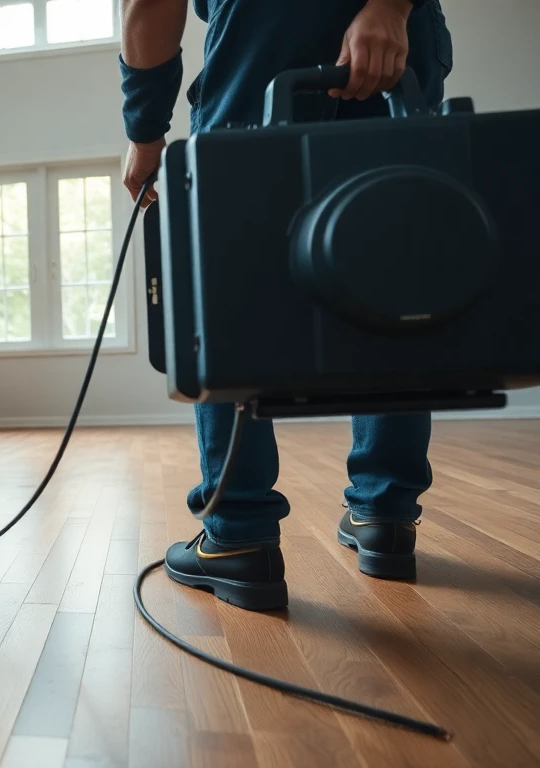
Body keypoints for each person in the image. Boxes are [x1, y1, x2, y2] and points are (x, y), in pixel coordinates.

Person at [119, 0, 454, 611]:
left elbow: (150, 5)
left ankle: (239, 538)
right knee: (394, 264)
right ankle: (383, 514)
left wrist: (145, 133)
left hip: (259, 32)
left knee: (230, 271)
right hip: (390, 39)